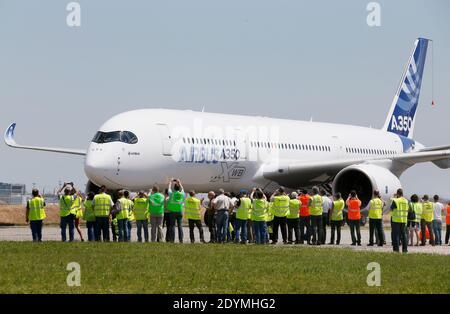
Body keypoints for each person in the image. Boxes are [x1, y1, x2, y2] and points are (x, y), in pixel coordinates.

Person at [390, 188, 409, 253]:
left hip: (396, 220)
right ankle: (405, 249)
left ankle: (396, 249)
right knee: (404, 235)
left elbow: (391, 209)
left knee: (396, 235)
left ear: (397, 194)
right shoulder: (406, 201)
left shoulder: (395, 200)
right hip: (403, 220)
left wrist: (394, 197)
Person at [167, 178, 185, 243]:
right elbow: (182, 189)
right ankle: (181, 240)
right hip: (179, 211)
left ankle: (172, 240)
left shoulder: (171, 194)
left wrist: (170, 182)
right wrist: (179, 183)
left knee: (172, 226)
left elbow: (169, 188)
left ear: (174, 188)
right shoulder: (182, 194)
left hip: (172, 212)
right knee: (180, 226)